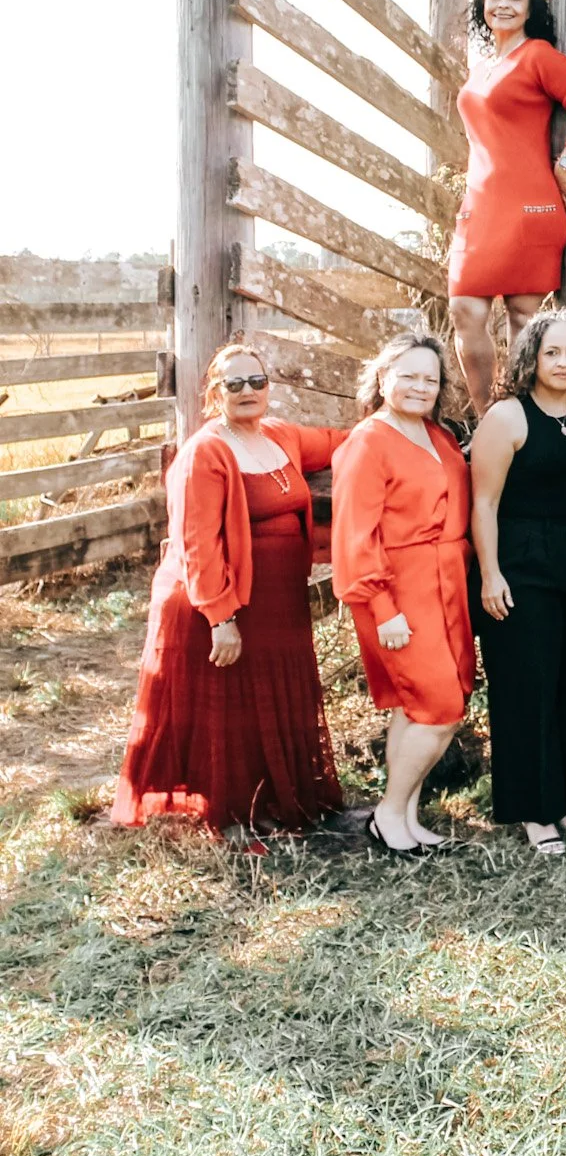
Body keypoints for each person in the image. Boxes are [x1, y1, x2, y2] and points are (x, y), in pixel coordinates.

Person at [112, 343, 344, 838]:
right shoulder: (206, 451)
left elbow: (337, 441)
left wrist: (393, 431)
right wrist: (221, 617)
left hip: (280, 603)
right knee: (232, 704)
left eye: (256, 382)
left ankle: (271, 798)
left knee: (268, 699)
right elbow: (197, 542)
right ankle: (233, 810)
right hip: (223, 599)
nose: (247, 392)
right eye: (234, 384)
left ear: (268, 386)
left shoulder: (279, 435)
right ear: (215, 392)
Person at [470, 309, 566, 857]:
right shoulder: (506, 418)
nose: (563, 363)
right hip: (521, 569)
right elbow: (483, 503)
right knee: (526, 690)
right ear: (531, 357)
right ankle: (535, 811)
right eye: (552, 353)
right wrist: (490, 574)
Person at [331, 333, 476, 856]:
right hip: (397, 590)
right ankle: (386, 813)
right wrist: (382, 608)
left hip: (446, 584)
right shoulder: (368, 442)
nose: (420, 387)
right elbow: (354, 535)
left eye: (430, 379)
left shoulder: (436, 436)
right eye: (408, 376)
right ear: (382, 378)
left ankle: (406, 817)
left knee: (414, 709)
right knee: (441, 706)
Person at [449, 0, 566, 414]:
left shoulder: (538, 55)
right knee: (465, 311)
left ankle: (519, 418)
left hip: (530, 204)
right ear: (483, 5)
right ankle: (486, 419)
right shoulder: (481, 66)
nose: (502, 4)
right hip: (479, 205)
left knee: (523, 319)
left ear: (530, 8)